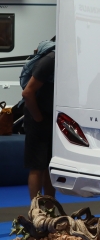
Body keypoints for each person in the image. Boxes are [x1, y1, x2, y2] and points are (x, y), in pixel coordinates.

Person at [21, 43, 56, 200]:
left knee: (50, 167)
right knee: (37, 167)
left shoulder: (65, 62)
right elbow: (27, 93)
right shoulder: (50, 60)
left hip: (52, 119)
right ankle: (36, 210)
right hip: (38, 119)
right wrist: (38, 119)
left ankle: (50, 209)